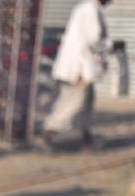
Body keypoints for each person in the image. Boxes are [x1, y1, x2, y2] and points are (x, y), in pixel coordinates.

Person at [41, 0, 115, 150]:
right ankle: (47, 135)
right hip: (78, 69)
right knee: (72, 104)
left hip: (82, 68)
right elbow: (93, 40)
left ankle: (87, 141)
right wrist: (112, 45)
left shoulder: (90, 8)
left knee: (86, 105)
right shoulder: (90, 9)